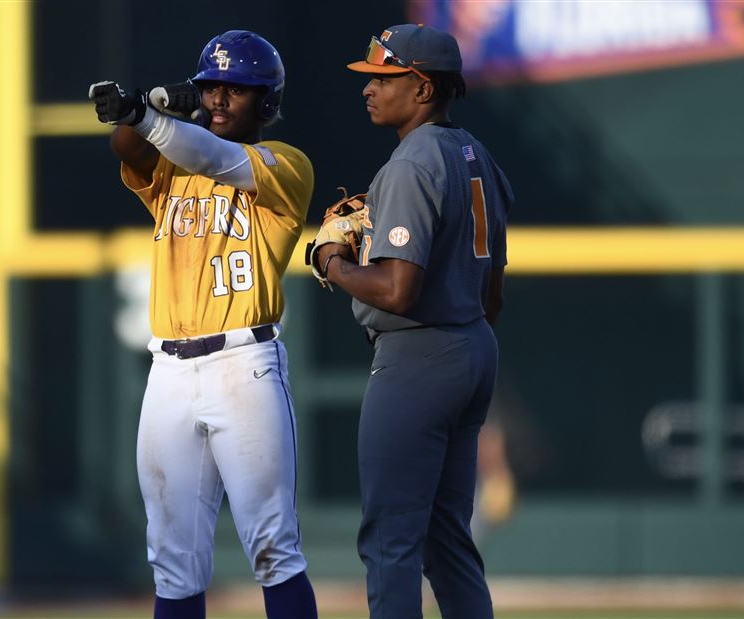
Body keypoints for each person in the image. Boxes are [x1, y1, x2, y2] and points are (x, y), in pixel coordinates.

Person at [89, 30, 318, 619]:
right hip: (168, 369)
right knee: (171, 559)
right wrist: (153, 107)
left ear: (266, 101)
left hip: (244, 365)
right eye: (211, 86)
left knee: (273, 549)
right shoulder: (171, 162)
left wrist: (151, 113)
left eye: (235, 89)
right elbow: (126, 147)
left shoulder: (286, 165)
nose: (219, 99)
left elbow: (213, 158)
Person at [311, 24, 513, 619]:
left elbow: (398, 289)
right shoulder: (476, 153)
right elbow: (494, 291)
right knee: (447, 542)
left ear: (422, 87)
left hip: (418, 359)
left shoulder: (410, 164)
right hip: (474, 347)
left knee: (390, 543)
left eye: (384, 77)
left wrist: (333, 263)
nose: (369, 88)